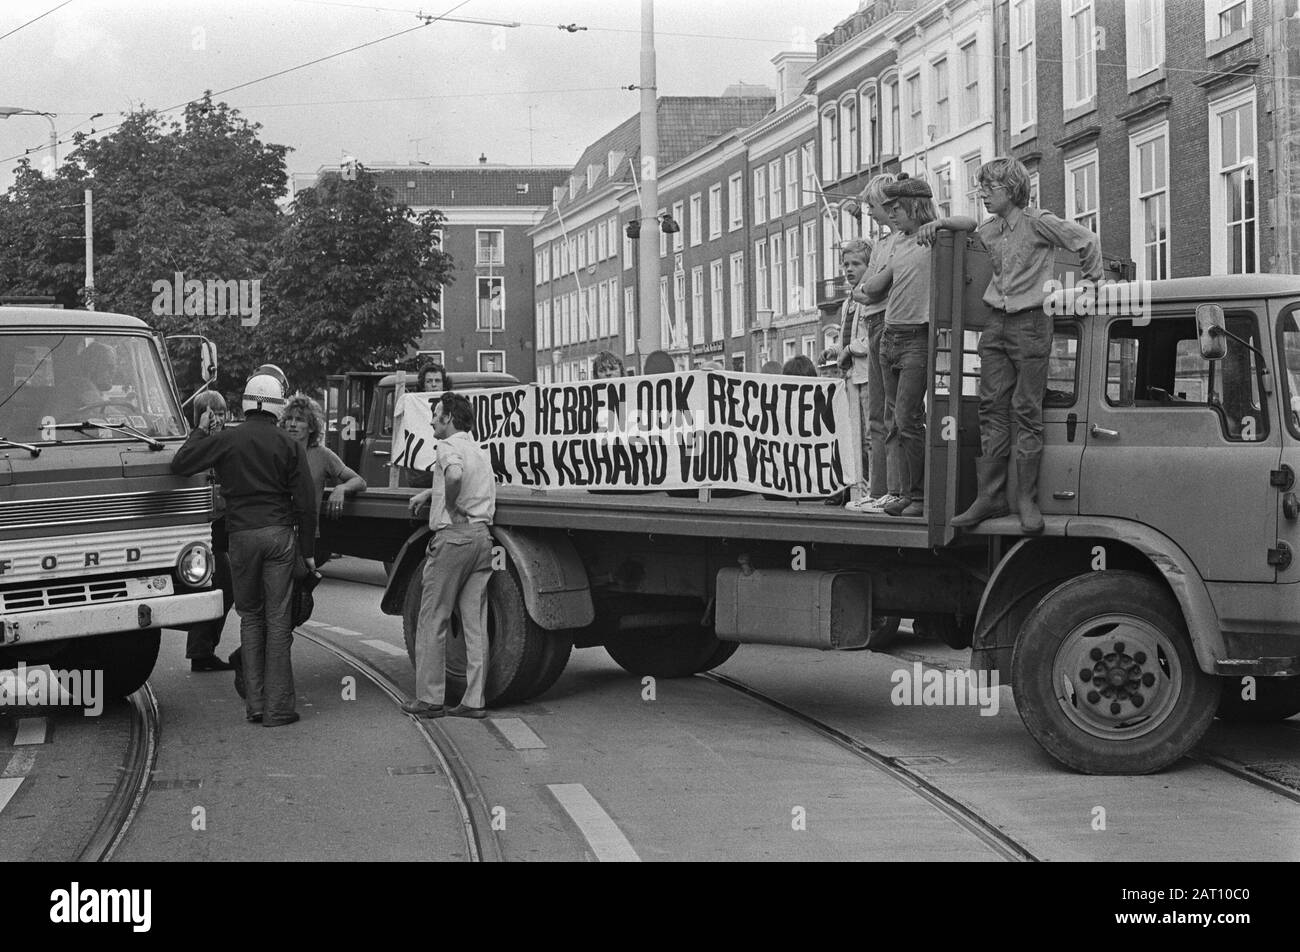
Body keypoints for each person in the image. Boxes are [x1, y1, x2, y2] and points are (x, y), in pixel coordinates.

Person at [921, 157, 1102, 534]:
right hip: (996, 324)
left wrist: (1091, 283)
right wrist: (938, 222)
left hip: (1032, 322)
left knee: (1025, 409)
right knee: (991, 407)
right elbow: (967, 226)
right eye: (981, 186)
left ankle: (1025, 498)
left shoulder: (1038, 222)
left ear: (1013, 189)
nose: (983, 193)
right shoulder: (989, 229)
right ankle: (990, 497)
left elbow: (1086, 240)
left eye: (991, 187)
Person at [172, 372, 317, 727]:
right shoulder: (288, 444)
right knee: (278, 621)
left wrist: (201, 430)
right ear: (278, 407)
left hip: (241, 536)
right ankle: (279, 708)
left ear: (246, 404)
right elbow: (306, 502)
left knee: (250, 617)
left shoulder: (228, 439)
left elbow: (181, 464)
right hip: (278, 536)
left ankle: (255, 704)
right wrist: (308, 551)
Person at [402, 392, 497, 720]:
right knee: (474, 623)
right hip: (482, 539)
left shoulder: (446, 447)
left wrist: (451, 505)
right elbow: (464, 477)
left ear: (449, 418)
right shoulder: (480, 451)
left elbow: (455, 475)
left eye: (437, 415)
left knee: (433, 618)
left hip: (453, 540)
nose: (431, 421)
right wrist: (433, 492)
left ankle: (429, 699)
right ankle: (474, 700)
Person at [860, 173, 937, 518]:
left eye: (895, 207)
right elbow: (875, 285)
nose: (889, 213)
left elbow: (968, 225)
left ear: (914, 207)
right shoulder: (902, 243)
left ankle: (919, 494)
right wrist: (861, 289)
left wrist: (940, 223)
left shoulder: (937, 236)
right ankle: (904, 492)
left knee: (907, 418)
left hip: (917, 338)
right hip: (890, 337)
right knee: (895, 421)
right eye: (887, 207)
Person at [846, 174, 903, 514]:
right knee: (879, 418)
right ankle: (880, 487)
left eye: (871, 205)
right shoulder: (882, 243)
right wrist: (865, 290)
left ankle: (889, 489)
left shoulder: (896, 243)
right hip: (876, 320)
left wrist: (865, 291)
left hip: (885, 321)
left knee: (888, 414)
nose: (868, 210)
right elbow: (863, 290)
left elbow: (870, 290)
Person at [184, 390, 236, 672]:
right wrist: (201, 432)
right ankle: (201, 653)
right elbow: (182, 463)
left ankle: (202, 651)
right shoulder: (197, 441)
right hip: (205, 533)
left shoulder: (227, 441)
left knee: (224, 588)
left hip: (225, 528)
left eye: (221, 413)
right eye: (210, 413)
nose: (218, 419)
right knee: (221, 587)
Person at [280, 393, 367, 532]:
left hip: (306, 536)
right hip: (277, 534)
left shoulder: (322, 455)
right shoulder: (276, 453)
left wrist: (341, 489)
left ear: (311, 427)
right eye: (289, 419)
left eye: (300, 419)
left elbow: (359, 481)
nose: (293, 424)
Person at [831, 238, 874, 511]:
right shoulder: (849, 301)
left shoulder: (871, 297)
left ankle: (871, 488)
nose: (849, 269)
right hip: (851, 376)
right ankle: (857, 488)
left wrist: (848, 348)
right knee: (854, 434)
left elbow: (870, 338)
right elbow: (849, 334)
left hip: (867, 374)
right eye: (846, 264)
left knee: (871, 433)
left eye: (856, 264)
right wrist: (834, 349)